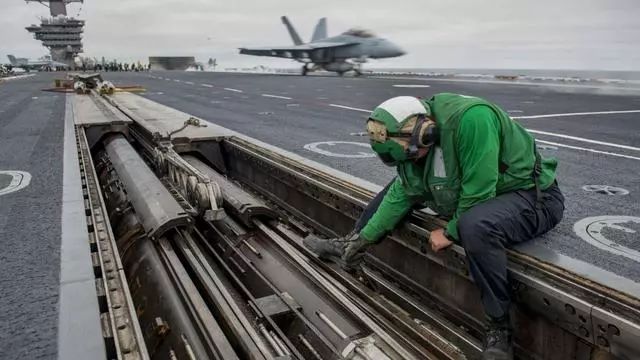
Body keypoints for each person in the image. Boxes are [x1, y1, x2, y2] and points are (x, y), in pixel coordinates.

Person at [303, 94, 564, 360]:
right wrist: (364, 240)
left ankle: (499, 328)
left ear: (426, 134)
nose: (410, 161)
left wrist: (450, 231)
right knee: (391, 193)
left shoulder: (473, 119)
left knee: (474, 226)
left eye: (411, 154)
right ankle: (349, 245)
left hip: (532, 196)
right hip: (478, 192)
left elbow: (479, 191)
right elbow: (403, 192)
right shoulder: (413, 143)